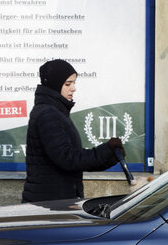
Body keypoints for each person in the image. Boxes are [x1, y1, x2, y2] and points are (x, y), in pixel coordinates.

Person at [22, 59, 124, 203]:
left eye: (74, 83)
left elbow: (74, 160)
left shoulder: (56, 111)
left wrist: (110, 157)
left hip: (55, 202)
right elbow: (67, 158)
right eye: (68, 84)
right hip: (48, 204)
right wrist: (105, 150)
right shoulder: (48, 114)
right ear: (55, 85)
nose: (73, 88)